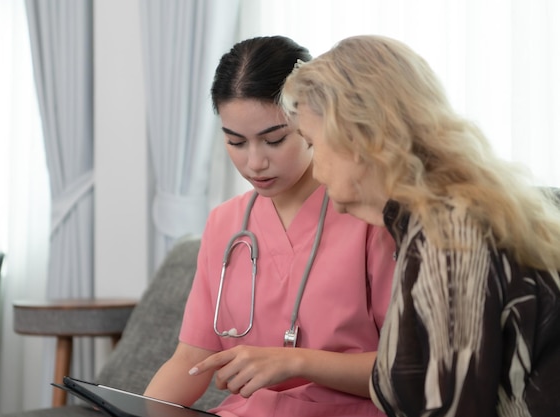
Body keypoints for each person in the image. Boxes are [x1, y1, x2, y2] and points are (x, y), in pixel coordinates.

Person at [280, 34, 560, 417]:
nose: (314, 169)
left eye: (312, 143)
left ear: (359, 137)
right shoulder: (443, 217)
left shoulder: (451, 236)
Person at [143, 36, 397, 417]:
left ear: (314, 123)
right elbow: (191, 359)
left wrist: (295, 362)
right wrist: (141, 409)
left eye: (274, 139)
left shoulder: (371, 217)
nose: (255, 162)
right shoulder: (224, 224)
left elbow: (406, 370)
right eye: (236, 142)